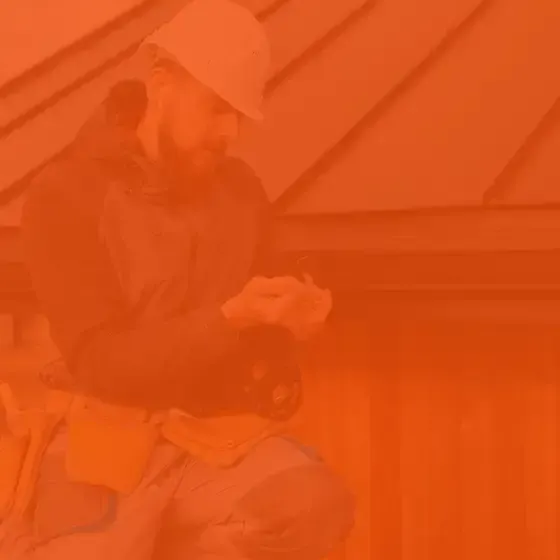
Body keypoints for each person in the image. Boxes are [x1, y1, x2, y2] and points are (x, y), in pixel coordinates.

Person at [0, 0, 355, 558]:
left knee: (312, 504)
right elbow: (102, 364)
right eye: (216, 109)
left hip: (208, 443)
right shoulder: (65, 196)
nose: (229, 133)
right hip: (100, 441)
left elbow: (263, 332)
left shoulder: (239, 192)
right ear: (163, 85)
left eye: (239, 117)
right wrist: (228, 320)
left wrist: (294, 321)